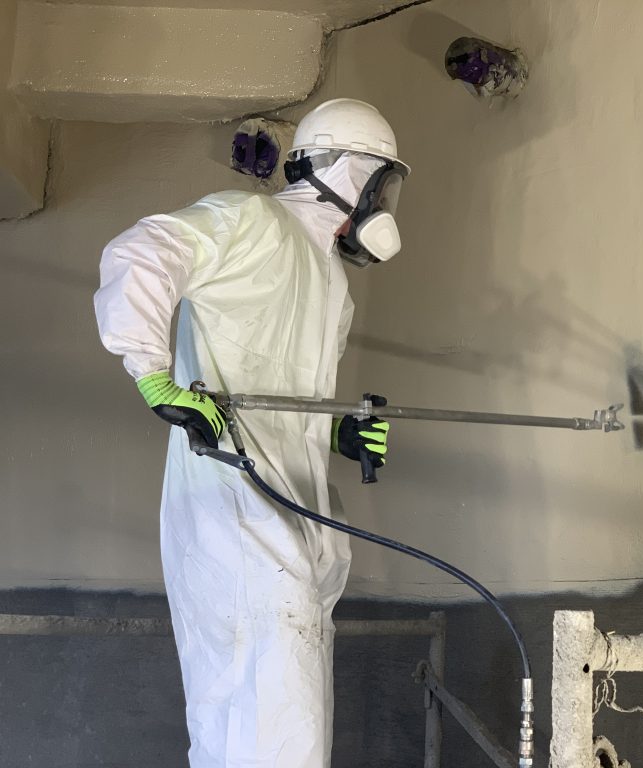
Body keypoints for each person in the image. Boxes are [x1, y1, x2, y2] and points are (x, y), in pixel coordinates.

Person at [94, 98, 410, 768]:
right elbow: (142, 252)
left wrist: (335, 435)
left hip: (298, 510)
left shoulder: (330, 280)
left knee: (286, 716)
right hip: (235, 507)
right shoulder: (251, 219)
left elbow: (288, 391)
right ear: (347, 171)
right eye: (384, 184)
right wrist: (154, 377)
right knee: (261, 717)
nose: (386, 203)